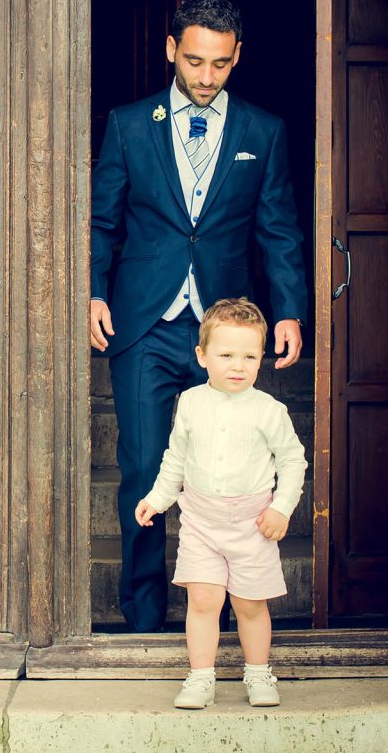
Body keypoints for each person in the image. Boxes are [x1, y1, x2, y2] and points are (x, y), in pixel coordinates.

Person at [90, 0, 307, 633]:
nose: (205, 77)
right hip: (144, 325)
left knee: (232, 474)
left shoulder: (263, 131)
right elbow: (102, 220)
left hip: (226, 337)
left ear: (237, 56)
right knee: (143, 471)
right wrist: (94, 291)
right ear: (171, 52)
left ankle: (230, 617)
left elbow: (278, 227)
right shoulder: (128, 124)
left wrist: (290, 309)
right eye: (193, 62)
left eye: (219, 64)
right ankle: (145, 617)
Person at [135, 298, 307, 709]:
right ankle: (200, 677)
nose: (238, 365)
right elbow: (176, 457)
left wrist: (281, 508)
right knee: (204, 600)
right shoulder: (192, 402)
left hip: (252, 524)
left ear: (261, 358)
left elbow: (293, 460)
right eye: (226, 355)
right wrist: (158, 499)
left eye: (249, 356)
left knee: (249, 603)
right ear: (202, 356)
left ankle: (259, 673)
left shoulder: (269, 410)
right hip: (201, 522)